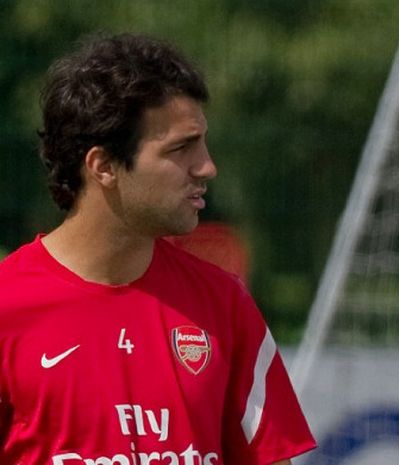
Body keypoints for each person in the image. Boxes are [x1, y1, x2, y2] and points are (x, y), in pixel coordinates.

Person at [0, 33, 315, 465]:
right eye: (181, 148)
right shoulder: (8, 307)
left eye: (202, 143)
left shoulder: (224, 304)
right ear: (103, 165)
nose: (207, 166)